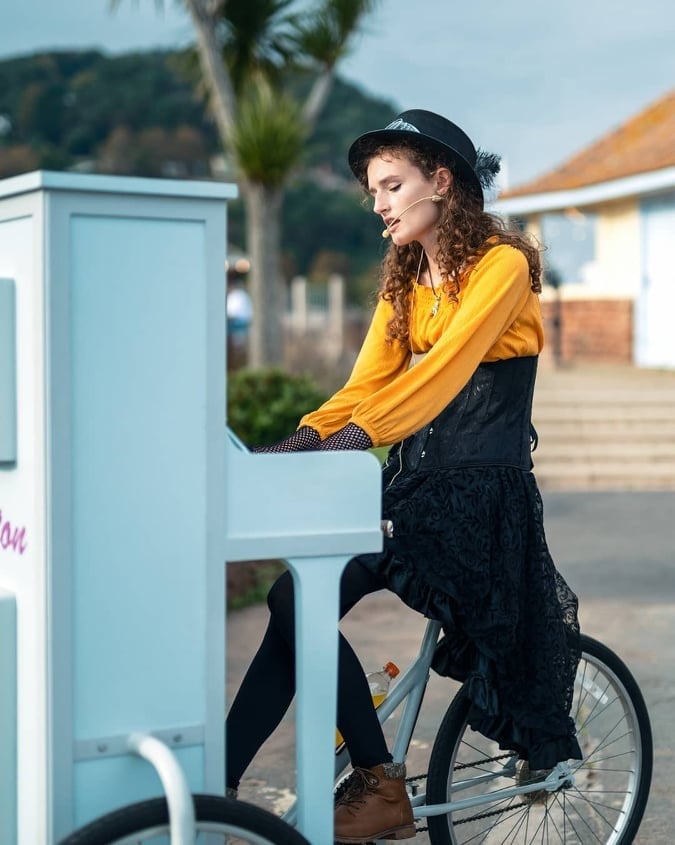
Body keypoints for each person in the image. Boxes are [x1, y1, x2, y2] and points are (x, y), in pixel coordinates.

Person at [225, 110, 582, 844]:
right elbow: (362, 387)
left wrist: (354, 440)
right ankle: (220, 781)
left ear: (440, 181)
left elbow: (444, 375)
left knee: (300, 593)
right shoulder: (408, 279)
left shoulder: (501, 267)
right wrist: (286, 447)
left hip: (480, 497)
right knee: (295, 594)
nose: (379, 203)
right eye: (372, 191)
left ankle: (377, 782)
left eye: (391, 185)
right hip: (416, 488)